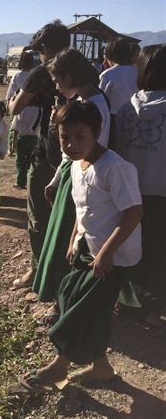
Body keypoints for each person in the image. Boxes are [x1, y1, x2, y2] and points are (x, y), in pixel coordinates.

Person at [19, 101, 142, 392]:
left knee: (82, 308)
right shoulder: (76, 164)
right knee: (73, 297)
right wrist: (75, 237)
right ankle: (101, 368)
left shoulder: (115, 167)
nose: (72, 144)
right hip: (88, 246)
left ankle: (58, 367)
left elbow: (134, 212)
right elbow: (82, 207)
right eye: (65, 137)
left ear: (97, 132)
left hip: (113, 255)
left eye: (79, 136)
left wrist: (106, 253)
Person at [33, 48, 111, 320]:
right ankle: (60, 296)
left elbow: (95, 150)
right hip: (71, 174)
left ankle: (64, 301)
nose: (55, 85)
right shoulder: (85, 98)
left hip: (82, 176)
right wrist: (57, 178)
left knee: (72, 239)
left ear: (67, 75)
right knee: (60, 238)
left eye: (56, 79)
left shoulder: (96, 104)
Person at [8, 19, 70, 288]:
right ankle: (64, 271)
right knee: (69, 217)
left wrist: (12, 98)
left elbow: (15, 108)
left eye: (40, 49)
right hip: (77, 154)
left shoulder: (41, 72)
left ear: (45, 47)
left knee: (38, 215)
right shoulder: (83, 69)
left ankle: (39, 270)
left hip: (47, 152)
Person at [115, 44, 166, 327]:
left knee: (131, 247)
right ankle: (153, 310)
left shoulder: (126, 109)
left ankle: (128, 302)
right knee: (158, 251)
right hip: (161, 192)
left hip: (129, 192)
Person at [6, 49, 39, 188]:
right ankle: (32, 180)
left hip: (21, 111)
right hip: (37, 113)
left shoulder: (17, 76)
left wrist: (10, 106)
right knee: (33, 154)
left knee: (20, 154)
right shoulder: (37, 75)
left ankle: (20, 181)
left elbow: (9, 97)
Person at [100, 38, 139, 117]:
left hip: (115, 117)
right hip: (136, 115)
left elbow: (101, 98)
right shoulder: (138, 72)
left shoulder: (108, 74)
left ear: (109, 56)